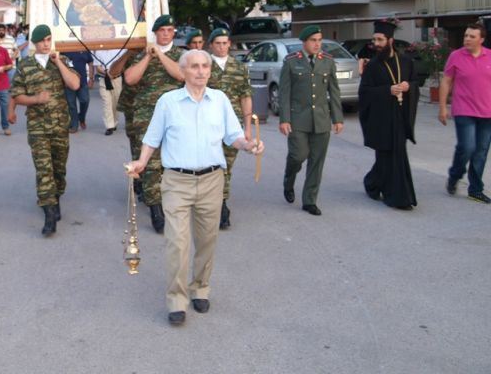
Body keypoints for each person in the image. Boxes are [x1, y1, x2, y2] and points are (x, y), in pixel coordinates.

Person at [126, 49, 263, 326]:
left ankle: (200, 287)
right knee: (177, 242)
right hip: (177, 181)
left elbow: (234, 135)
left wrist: (249, 145)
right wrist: (141, 161)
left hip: (212, 180)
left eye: (205, 66)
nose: (201, 71)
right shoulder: (168, 102)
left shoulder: (220, 100)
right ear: (183, 71)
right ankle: (177, 300)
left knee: (207, 240)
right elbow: (152, 137)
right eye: (195, 67)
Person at [9, 25, 80, 236]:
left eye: (49, 39)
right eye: (41, 41)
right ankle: (49, 213)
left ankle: (56, 196)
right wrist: (35, 99)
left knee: (59, 168)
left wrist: (58, 62)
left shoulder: (61, 62)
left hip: (60, 125)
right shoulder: (25, 66)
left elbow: (75, 84)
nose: (46, 44)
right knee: (43, 169)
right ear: (35, 43)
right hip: (37, 127)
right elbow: (16, 94)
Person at [124, 15, 185, 232]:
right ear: (155, 33)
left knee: (174, 160)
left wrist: (160, 55)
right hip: (147, 116)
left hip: (175, 116)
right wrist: (149, 58)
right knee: (149, 163)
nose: (166, 34)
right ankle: (155, 209)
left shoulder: (181, 55)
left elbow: (182, 75)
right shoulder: (142, 55)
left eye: (170, 30)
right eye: (162, 30)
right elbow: (130, 79)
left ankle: (174, 202)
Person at [278, 25, 344, 216]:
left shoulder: (328, 61)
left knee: (317, 161)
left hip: (321, 120)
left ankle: (309, 200)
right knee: (298, 155)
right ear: (304, 42)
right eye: (313, 40)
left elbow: (334, 91)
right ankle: (288, 180)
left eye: (319, 40)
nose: (317, 44)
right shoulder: (291, 62)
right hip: (298, 118)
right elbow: (284, 93)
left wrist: (337, 118)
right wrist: (284, 119)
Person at [359, 20, 418, 210]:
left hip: (400, 117)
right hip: (381, 119)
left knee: (397, 154)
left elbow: (415, 83)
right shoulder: (373, 66)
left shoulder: (406, 62)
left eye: (380, 40)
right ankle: (373, 184)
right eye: (374, 39)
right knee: (385, 156)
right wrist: (388, 90)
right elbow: (365, 93)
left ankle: (398, 196)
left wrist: (409, 86)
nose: (375, 44)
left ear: (390, 41)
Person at [439, 22, 491, 204]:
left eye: (472, 36)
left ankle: (475, 189)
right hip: (464, 110)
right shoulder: (456, 56)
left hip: (487, 113)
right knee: (467, 147)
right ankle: (455, 175)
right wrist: (443, 107)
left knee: (481, 151)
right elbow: (446, 81)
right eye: (466, 36)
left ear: (481, 40)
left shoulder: (490, 57)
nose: (467, 39)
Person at [207, 28, 253, 228]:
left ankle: (222, 204)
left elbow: (245, 96)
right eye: (218, 43)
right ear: (211, 45)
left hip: (232, 126)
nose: (222, 46)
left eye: (225, 43)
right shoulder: (203, 65)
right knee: (210, 165)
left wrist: (248, 128)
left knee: (226, 165)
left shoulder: (238, 67)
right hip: (208, 124)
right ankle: (211, 203)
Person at [93, 48, 127, 135]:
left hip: (116, 78)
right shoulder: (98, 51)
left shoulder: (119, 50)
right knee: (107, 102)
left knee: (115, 102)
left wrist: (114, 72)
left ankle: (114, 122)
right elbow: (98, 67)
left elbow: (122, 66)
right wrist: (107, 73)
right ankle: (109, 126)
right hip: (104, 79)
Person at [63, 51, 95, 133]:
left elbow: (90, 63)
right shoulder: (64, 49)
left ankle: (81, 117)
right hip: (68, 82)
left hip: (83, 81)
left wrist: (91, 78)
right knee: (71, 104)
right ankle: (74, 125)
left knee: (85, 100)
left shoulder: (84, 49)